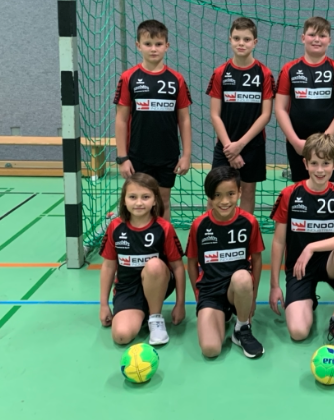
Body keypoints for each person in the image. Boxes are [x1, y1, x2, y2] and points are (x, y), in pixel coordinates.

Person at [269, 133, 334, 352]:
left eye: (326, 164)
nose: (320, 170)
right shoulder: (290, 194)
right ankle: (308, 296)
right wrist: (274, 285)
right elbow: (278, 242)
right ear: (305, 163)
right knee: (298, 332)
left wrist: (311, 247)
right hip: (299, 268)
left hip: (328, 263)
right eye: (315, 163)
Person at [114, 19, 192, 221]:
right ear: (138, 45)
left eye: (158, 44)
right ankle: (138, 239)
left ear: (167, 46)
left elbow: (184, 119)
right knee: (138, 202)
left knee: (163, 200)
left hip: (167, 154)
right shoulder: (128, 77)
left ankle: (164, 240)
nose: (153, 49)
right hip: (138, 154)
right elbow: (121, 119)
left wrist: (186, 155)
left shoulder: (176, 79)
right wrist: (122, 157)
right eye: (148, 44)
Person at [186, 166, 265, 359]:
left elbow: (256, 260)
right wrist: (197, 294)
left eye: (230, 194)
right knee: (210, 350)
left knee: (242, 277)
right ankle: (224, 314)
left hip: (237, 288)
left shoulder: (249, 222)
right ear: (209, 196)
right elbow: (192, 262)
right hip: (210, 291)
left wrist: (253, 296)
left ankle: (242, 328)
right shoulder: (199, 225)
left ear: (239, 192)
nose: (224, 201)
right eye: (217, 195)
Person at [99, 173, 186, 346]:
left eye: (145, 197)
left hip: (158, 281)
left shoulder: (164, 227)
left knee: (154, 265)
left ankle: (155, 318)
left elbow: (178, 267)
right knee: (121, 336)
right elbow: (108, 266)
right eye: (133, 197)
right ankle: (141, 312)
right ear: (124, 200)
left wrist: (180, 304)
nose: (139, 203)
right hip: (128, 289)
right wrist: (103, 305)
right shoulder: (115, 227)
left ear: (155, 200)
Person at [206, 17, 275, 214]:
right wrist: (230, 148)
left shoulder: (264, 73)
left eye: (246, 39)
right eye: (237, 38)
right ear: (230, 40)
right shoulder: (220, 72)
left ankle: (244, 231)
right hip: (225, 145)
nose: (241, 43)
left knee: (247, 192)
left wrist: (240, 145)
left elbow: (265, 115)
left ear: (255, 42)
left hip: (252, 145)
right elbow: (214, 114)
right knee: (215, 191)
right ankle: (212, 230)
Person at [274, 17, 334, 183]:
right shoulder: (289, 69)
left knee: (331, 190)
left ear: (329, 40)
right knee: (301, 191)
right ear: (303, 38)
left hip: (329, 143)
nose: (317, 39)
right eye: (312, 35)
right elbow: (280, 108)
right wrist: (295, 141)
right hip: (298, 145)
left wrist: (324, 140)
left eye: (322, 36)